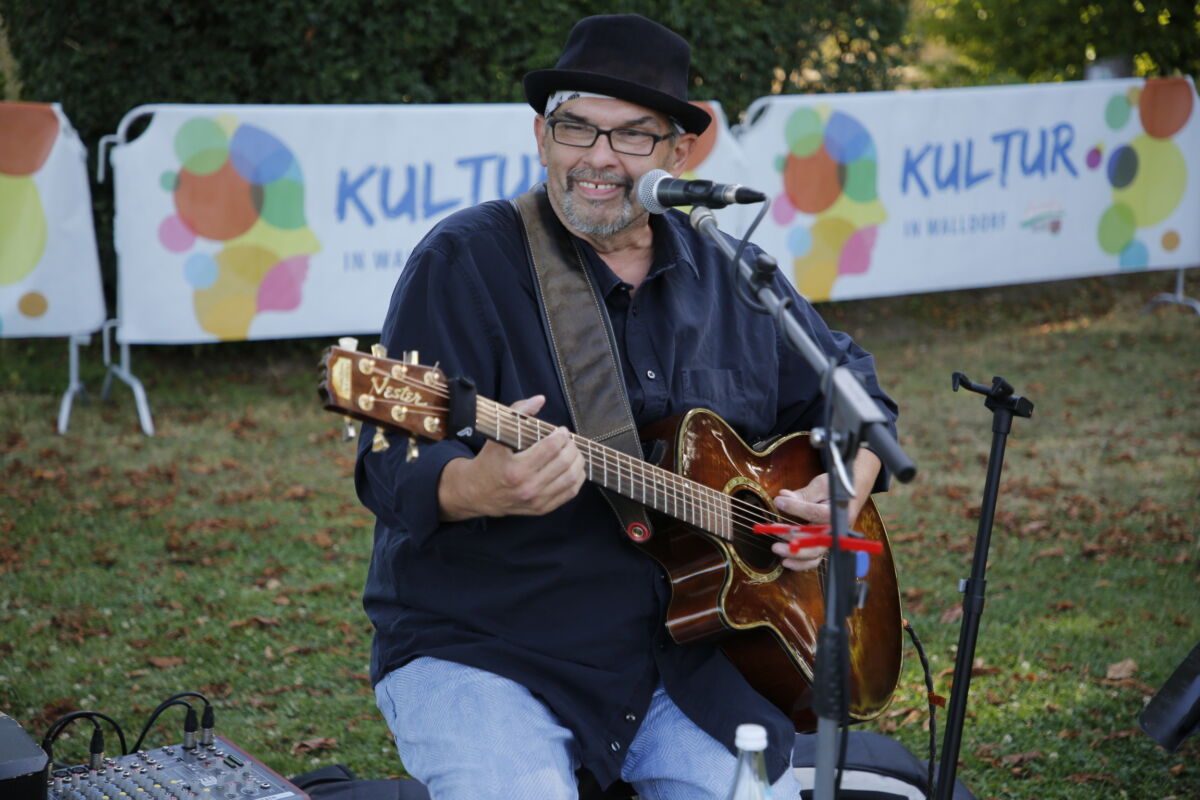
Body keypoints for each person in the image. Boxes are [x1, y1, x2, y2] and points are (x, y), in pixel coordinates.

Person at [356, 14, 898, 800]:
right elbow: (386, 456)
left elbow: (854, 389)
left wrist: (842, 488)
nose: (599, 157)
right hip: (486, 645)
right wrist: (478, 488)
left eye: (633, 135)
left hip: (685, 666)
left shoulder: (734, 274)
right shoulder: (465, 259)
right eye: (577, 127)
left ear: (679, 154)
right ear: (542, 138)